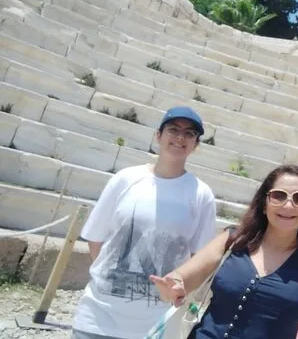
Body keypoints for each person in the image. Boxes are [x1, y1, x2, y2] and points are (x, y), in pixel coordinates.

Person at [71, 106, 217, 339]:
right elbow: (96, 239)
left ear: (195, 145)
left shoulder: (202, 194)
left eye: (189, 133)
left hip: (157, 323)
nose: (180, 137)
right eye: (173, 130)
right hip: (98, 316)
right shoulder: (125, 179)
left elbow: (200, 259)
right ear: (158, 135)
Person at [150, 164, 298, 339]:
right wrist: (173, 286)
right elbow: (183, 277)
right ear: (264, 203)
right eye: (279, 195)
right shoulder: (232, 241)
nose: (288, 205)